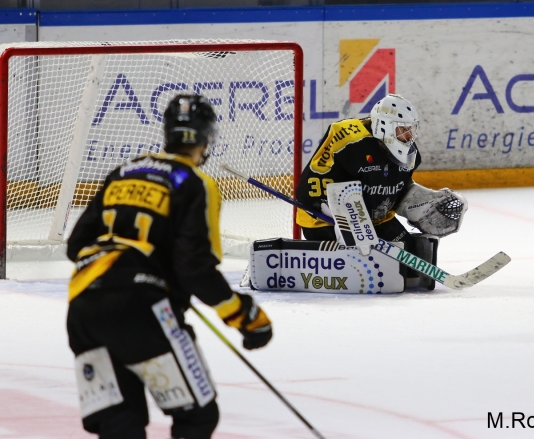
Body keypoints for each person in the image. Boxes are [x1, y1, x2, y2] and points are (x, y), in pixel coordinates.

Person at [66, 94, 272, 439]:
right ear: (206, 139)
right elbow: (195, 269)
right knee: (197, 416)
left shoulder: (123, 172)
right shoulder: (195, 183)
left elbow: (76, 246)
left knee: (119, 424)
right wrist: (244, 315)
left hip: (84, 308)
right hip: (143, 310)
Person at [296, 93, 467, 288]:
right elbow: (309, 187)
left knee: (408, 271)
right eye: (403, 130)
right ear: (384, 126)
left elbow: (396, 188)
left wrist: (421, 203)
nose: (409, 136)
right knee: (364, 269)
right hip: (323, 222)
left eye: (411, 130)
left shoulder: (410, 155)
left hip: (377, 220)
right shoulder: (347, 138)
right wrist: (342, 218)